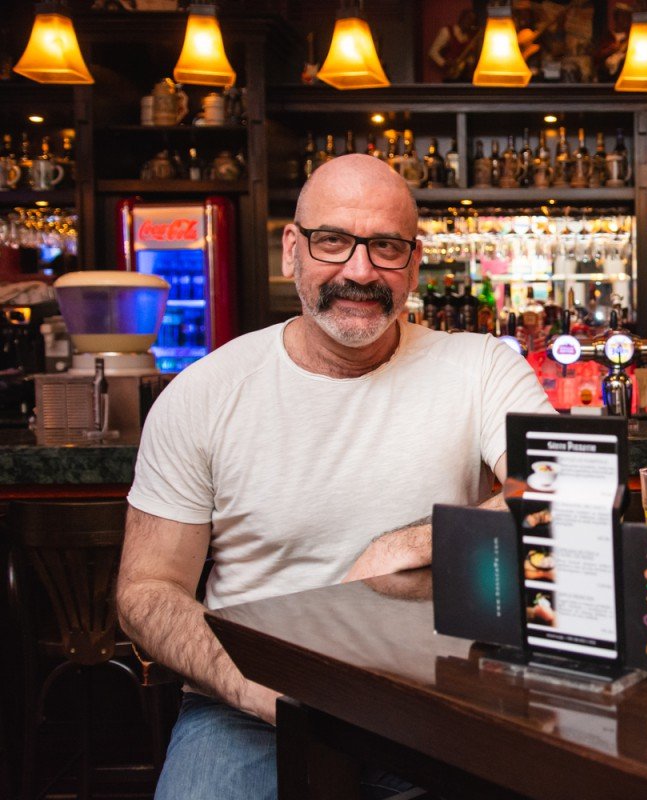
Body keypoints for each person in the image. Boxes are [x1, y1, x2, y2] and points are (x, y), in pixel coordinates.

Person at [115, 154, 554, 799]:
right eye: (332, 241)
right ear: (292, 249)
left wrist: (411, 543)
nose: (359, 270)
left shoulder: (481, 366)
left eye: (385, 246)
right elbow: (148, 589)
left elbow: (562, 490)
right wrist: (253, 687)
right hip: (249, 704)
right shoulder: (204, 393)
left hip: (439, 693)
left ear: (414, 261)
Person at [427, 7, 481, 82]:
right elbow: (432, 52)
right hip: (450, 76)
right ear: (462, 18)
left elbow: (470, 59)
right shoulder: (447, 31)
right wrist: (444, 63)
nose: (470, 23)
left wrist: (471, 63)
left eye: (472, 21)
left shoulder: (469, 38)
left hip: (464, 77)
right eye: (469, 19)